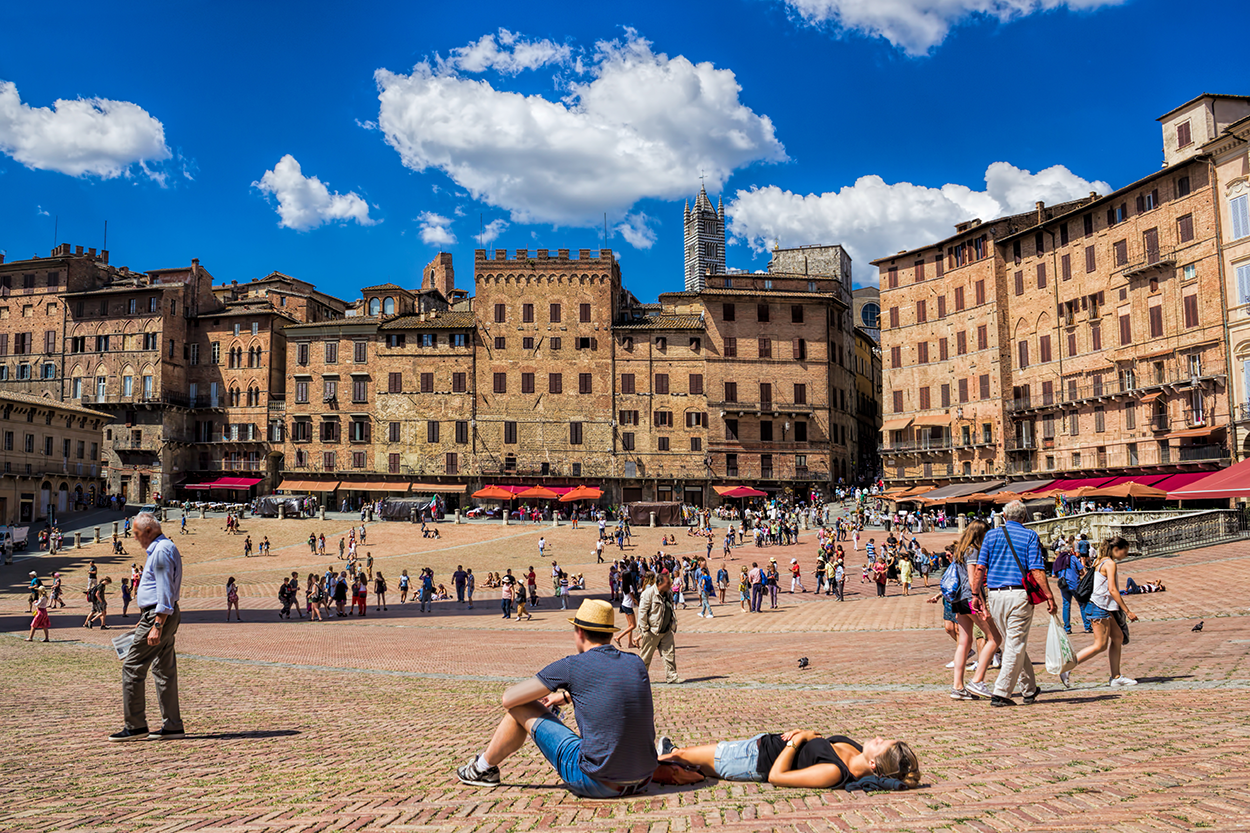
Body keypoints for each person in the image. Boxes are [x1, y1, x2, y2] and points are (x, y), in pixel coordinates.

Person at [456, 599, 657, 796]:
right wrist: (566, 696)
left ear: (579, 632)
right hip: (643, 777)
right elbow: (611, 685)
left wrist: (546, 697)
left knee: (519, 708)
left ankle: (482, 768)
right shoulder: (635, 662)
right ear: (610, 635)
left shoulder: (572, 665)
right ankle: (483, 768)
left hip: (597, 781)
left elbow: (509, 699)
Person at [970, 500, 1056, 707]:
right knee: (1015, 643)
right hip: (1019, 596)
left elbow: (980, 568)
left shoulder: (990, 536)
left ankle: (1029, 689)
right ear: (1024, 518)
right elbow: (1036, 569)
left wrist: (975, 593)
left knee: (1013, 643)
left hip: (995, 595)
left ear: (1004, 517)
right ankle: (1001, 693)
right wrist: (1049, 596)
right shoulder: (1029, 536)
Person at [110, 513, 185, 741]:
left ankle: (135, 725)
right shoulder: (163, 548)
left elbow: (164, 588)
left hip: (160, 613)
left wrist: (157, 623)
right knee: (164, 669)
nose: (135, 538)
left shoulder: (161, 551)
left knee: (132, 667)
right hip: (160, 613)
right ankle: (172, 725)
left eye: (136, 533)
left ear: (149, 531)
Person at [657, 731, 919, 789]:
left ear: (874, 765)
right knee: (686, 755)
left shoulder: (834, 772)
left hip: (751, 761)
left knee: (677, 756)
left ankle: (673, 766)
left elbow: (777, 777)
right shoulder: (855, 749)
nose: (878, 738)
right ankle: (688, 770)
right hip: (759, 745)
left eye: (882, 745)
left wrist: (798, 739)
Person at [1061, 537, 1139, 688]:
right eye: (1125, 551)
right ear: (1116, 549)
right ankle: (1067, 667)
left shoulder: (1100, 560)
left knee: (1117, 637)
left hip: (1103, 607)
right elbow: (1113, 589)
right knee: (1100, 645)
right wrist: (1127, 611)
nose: (1126, 554)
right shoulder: (1110, 564)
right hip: (1099, 607)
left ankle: (1116, 677)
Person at [637, 572, 680, 684]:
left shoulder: (668, 593)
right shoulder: (648, 593)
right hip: (652, 631)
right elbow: (642, 613)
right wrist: (645, 630)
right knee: (646, 657)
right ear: (660, 583)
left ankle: (672, 676)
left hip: (666, 630)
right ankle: (640, 679)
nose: (670, 585)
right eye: (668, 583)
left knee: (669, 655)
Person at [1053, 543, 1092, 634]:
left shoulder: (1058, 560)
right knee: (1082, 604)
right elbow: (1081, 569)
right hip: (1074, 584)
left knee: (1066, 605)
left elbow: (1053, 574)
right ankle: (1087, 626)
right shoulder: (1072, 558)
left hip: (1063, 585)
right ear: (1069, 551)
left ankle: (1067, 628)